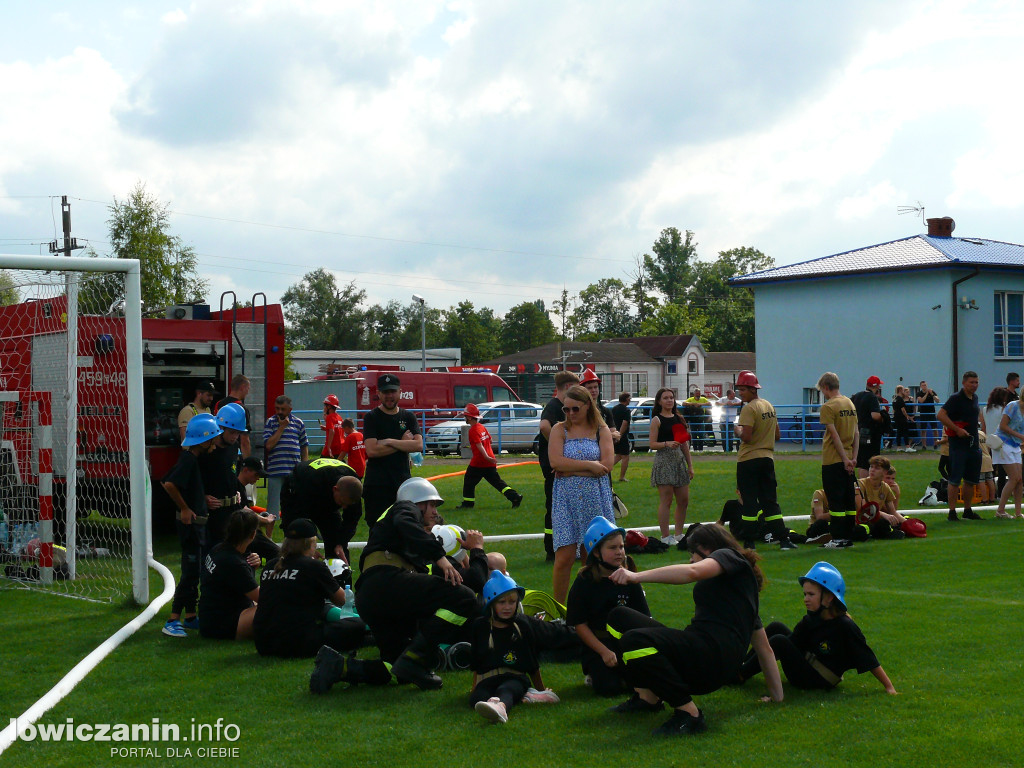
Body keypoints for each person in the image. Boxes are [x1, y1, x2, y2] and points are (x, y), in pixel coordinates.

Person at [606, 523, 783, 736]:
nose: (691, 558)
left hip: (711, 659)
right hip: (703, 651)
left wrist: (636, 576)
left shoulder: (729, 556)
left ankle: (689, 714)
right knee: (619, 618)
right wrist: (777, 697)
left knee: (635, 641)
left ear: (709, 549)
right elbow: (765, 649)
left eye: (693, 552)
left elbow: (692, 572)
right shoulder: (738, 593)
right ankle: (648, 698)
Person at [354, 477, 478, 689]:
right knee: (465, 598)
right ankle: (416, 657)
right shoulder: (404, 508)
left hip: (371, 595)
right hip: (387, 583)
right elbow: (406, 523)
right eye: (431, 504)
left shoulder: (393, 524)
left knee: (396, 668)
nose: (435, 512)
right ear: (417, 502)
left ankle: (341, 668)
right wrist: (440, 557)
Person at [737, 562, 897, 694]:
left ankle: (739, 676)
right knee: (776, 627)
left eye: (811, 595)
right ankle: (739, 665)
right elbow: (793, 642)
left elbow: (867, 657)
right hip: (809, 664)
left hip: (819, 679)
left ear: (828, 598)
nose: (806, 599)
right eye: (805, 594)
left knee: (778, 641)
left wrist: (889, 686)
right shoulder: (812, 619)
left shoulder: (845, 626)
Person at [254, 517, 367, 658]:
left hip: (263, 642)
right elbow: (343, 601)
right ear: (310, 544)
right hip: (297, 643)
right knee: (355, 625)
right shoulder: (313, 566)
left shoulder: (271, 565)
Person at [566, 517, 650, 697]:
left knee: (639, 683)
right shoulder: (584, 582)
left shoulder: (630, 578)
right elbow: (579, 624)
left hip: (627, 641)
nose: (620, 552)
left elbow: (644, 618)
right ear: (596, 553)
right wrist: (604, 652)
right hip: (599, 645)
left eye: (621, 546)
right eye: (612, 548)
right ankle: (595, 673)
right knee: (609, 689)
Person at [549, 384, 615, 605]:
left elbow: (606, 465)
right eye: (566, 410)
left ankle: (588, 607)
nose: (570, 414)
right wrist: (589, 466)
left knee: (592, 556)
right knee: (564, 556)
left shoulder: (601, 429)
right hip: (566, 500)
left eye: (575, 409)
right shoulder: (559, 429)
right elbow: (555, 462)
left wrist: (570, 470)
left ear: (588, 406)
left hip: (595, 498)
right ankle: (558, 609)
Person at [469, 571, 559, 724]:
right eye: (501, 602)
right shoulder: (480, 626)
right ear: (491, 603)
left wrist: (541, 689)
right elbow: (477, 663)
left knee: (507, 689)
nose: (507, 607)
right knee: (476, 699)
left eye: (512, 602)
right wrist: (474, 689)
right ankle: (524, 698)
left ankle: (502, 707)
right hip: (489, 678)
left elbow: (532, 664)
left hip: (515, 678)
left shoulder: (522, 625)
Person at [162, 413, 223, 638]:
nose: (216, 443)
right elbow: (169, 484)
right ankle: (172, 620)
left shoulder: (191, 459)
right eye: (213, 438)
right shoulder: (188, 459)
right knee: (189, 574)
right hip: (191, 528)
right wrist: (185, 508)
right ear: (204, 440)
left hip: (198, 527)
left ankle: (190, 616)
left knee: (195, 571)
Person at [734, 371, 794, 550]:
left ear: (753, 389)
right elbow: (777, 435)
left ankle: (749, 542)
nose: (740, 393)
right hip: (767, 458)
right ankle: (784, 540)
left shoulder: (749, 408)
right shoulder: (769, 405)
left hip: (748, 460)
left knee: (749, 502)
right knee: (770, 501)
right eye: (739, 390)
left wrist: (737, 430)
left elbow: (747, 437)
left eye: (743, 389)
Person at [361, 373, 422, 528]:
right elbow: (372, 451)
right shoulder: (371, 417)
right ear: (378, 394)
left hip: (402, 483)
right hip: (377, 485)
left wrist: (389, 442)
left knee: (404, 527)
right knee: (378, 529)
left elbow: (418, 445)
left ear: (400, 392)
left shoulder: (408, 416)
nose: (390, 396)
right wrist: (402, 443)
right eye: (386, 392)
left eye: (393, 392)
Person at [280, 458, 363, 562]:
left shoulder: (353, 487)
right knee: (297, 541)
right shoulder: (310, 484)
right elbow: (297, 519)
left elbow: (351, 520)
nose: (344, 508)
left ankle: (340, 574)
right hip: (296, 491)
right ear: (335, 489)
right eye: (342, 503)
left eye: (347, 504)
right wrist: (309, 549)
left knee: (336, 541)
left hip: (324, 492)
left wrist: (340, 543)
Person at [198, 508, 261, 641]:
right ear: (253, 534)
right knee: (276, 606)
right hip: (223, 624)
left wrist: (252, 566)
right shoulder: (234, 562)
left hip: (209, 618)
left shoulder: (219, 549)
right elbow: (264, 598)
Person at [537, 371, 581, 559]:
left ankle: (565, 545)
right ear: (567, 387)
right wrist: (559, 448)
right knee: (554, 507)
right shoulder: (555, 405)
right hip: (554, 467)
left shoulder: (561, 406)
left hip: (559, 466)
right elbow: (544, 426)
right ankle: (552, 548)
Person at [197, 402, 248, 560]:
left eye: (238, 433)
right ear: (221, 428)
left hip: (232, 511)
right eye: (232, 432)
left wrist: (237, 493)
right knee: (212, 557)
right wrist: (203, 498)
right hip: (212, 515)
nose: (235, 437)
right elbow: (193, 481)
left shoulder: (233, 447)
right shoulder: (206, 451)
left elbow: (232, 473)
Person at [816, 372, 859, 545]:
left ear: (826, 387)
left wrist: (843, 459)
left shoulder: (828, 406)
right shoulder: (849, 403)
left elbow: (834, 436)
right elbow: (856, 432)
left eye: (823, 391)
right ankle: (849, 535)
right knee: (849, 500)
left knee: (835, 501)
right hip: (849, 457)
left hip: (834, 460)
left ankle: (838, 537)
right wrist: (853, 458)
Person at [455, 403, 524, 509]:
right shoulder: (481, 427)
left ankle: (468, 504)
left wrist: (485, 456)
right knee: (498, 483)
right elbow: (490, 440)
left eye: (465, 416)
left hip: (479, 462)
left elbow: (479, 445)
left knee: (469, 481)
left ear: (469, 417)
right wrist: (488, 456)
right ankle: (514, 496)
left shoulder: (473, 430)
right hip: (489, 461)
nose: (465, 418)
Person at [648, 387, 693, 546]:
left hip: (679, 462)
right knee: (666, 500)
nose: (669, 400)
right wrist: (666, 443)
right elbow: (652, 444)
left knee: (683, 500)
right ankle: (665, 536)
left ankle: (679, 533)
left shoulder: (679, 418)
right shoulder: (656, 420)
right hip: (664, 461)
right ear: (659, 401)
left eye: (671, 398)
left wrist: (690, 465)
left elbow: (684, 444)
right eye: (665, 398)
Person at [937, 371, 984, 521]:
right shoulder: (956, 398)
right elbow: (941, 415)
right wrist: (957, 429)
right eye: (971, 382)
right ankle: (952, 512)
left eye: (976, 382)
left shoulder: (975, 398)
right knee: (955, 478)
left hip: (973, 443)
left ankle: (967, 509)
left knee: (971, 480)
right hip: (958, 445)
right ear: (964, 383)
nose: (974, 385)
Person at [263, 395, 308, 523]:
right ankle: (269, 537)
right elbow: (269, 445)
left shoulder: (299, 423)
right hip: (276, 471)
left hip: (294, 471)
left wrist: (304, 468)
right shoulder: (271, 422)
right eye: (277, 408)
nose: (280, 412)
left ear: (290, 409)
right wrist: (281, 428)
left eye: (283, 409)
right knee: (272, 509)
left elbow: (304, 447)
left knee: (295, 505)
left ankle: (294, 533)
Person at [855, 456, 906, 539]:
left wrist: (908, 524)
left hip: (875, 519)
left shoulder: (885, 487)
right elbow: (863, 509)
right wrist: (884, 514)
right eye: (871, 467)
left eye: (877, 468)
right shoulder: (860, 484)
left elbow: (893, 511)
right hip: (860, 519)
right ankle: (886, 533)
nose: (872, 470)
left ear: (885, 472)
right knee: (880, 524)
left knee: (897, 520)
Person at [994, 389, 1024, 519]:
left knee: (1019, 480)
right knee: (1014, 478)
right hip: (1003, 443)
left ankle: (1018, 512)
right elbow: (1003, 426)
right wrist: (1020, 436)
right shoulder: (1013, 406)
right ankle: (1000, 510)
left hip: (1016, 445)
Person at [851, 376, 885, 479]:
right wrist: (883, 418)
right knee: (869, 462)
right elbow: (875, 415)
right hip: (870, 433)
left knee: (862, 462)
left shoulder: (857, 395)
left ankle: (861, 485)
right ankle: (866, 486)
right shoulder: (872, 397)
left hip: (858, 430)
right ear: (877, 386)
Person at [984, 387, 1013, 498]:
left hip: (989, 441)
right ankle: (1001, 493)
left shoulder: (985, 409)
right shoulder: (1004, 409)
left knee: (989, 469)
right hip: (1002, 441)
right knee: (1002, 471)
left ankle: (990, 494)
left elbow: (984, 427)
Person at [214, 374, 251, 459]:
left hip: (217, 451)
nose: (247, 392)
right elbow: (244, 440)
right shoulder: (242, 409)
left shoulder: (218, 404)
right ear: (243, 387)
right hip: (233, 453)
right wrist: (247, 463)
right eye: (248, 389)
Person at [611, 392, 633, 481]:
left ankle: (604, 467)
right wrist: (619, 435)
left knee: (619, 455)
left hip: (614, 433)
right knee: (625, 456)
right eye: (629, 398)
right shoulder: (626, 410)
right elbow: (625, 423)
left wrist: (615, 435)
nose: (630, 400)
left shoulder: (614, 409)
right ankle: (622, 477)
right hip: (622, 435)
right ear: (626, 399)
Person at [319, 394, 344, 458]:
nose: (324, 407)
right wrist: (326, 428)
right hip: (340, 447)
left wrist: (328, 447)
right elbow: (338, 430)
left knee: (322, 464)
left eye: (325, 405)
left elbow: (332, 431)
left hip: (332, 447)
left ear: (329, 406)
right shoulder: (339, 417)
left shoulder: (329, 417)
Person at [892, 385, 917, 452]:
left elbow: (894, 409)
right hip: (901, 417)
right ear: (900, 390)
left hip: (896, 417)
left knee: (899, 432)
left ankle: (899, 447)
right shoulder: (900, 399)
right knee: (905, 431)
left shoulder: (894, 398)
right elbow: (903, 410)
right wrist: (907, 416)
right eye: (903, 390)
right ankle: (907, 447)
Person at [917, 381, 940, 448]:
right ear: (921, 386)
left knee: (935, 429)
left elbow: (938, 400)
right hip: (923, 413)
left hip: (931, 412)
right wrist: (927, 393)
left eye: (925, 385)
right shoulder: (919, 393)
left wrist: (932, 394)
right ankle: (924, 445)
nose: (924, 386)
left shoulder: (932, 391)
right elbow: (921, 401)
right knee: (923, 430)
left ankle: (936, 444)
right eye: (923, 385)